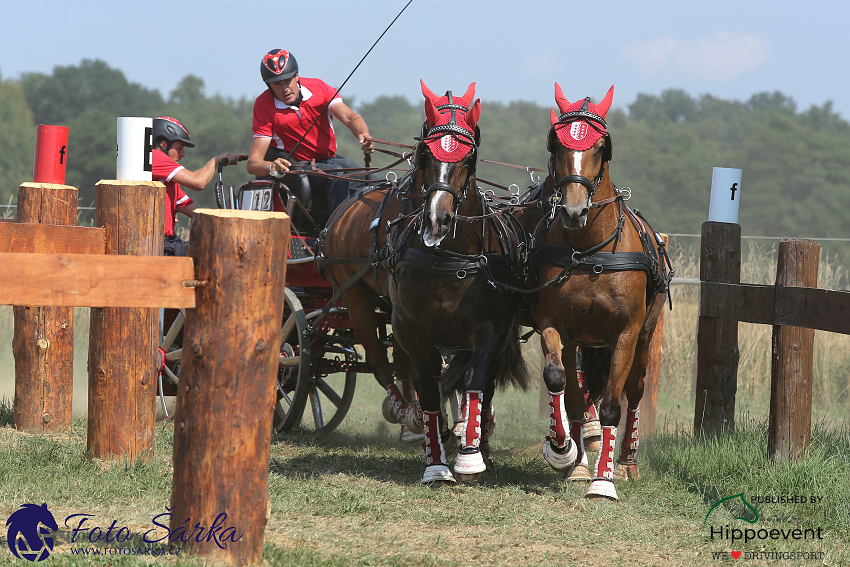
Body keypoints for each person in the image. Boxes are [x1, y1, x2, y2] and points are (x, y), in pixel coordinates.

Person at [246, 49, 373, 214]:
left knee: (373, 181)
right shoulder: (264, 105)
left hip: (330, 161)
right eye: (278, 84)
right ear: (269, 86)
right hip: (298, 167)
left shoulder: (319, 88)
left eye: (287, 81)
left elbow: (349, 117)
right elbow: (253, 163)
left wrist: (363, 133)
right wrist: (271, 166)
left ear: (297, 76)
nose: (285, 88)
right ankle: (335, 235)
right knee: (339, 178)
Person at [151, 116, 238, 256]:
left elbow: (197, 213)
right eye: (179, 148)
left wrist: (230, 223)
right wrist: (215, 161)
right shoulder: (155, 157)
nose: (183, 154)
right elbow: (198, 182)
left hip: (165, 242)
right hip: (157, 243)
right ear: (163, 145)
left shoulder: (168, 183)